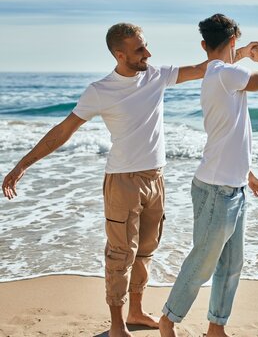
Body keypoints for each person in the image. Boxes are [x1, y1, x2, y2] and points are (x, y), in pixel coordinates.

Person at [1, 22, 217, 337]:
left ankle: (137, 311)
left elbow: (201, 69)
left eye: (146, 46)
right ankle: (117, 325)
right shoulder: (100, 90)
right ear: (119, 54)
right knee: (120, 253)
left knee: (146, 248)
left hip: (156, 177)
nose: (148, 53)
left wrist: (239, 51)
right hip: (123, 180)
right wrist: (23, 165)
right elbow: (63, 131)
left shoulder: (155, 75)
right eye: (140, 49)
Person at [159, 14, 258, 337]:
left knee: (231, 265)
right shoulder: (228, 75)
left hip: (233, 185)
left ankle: (216, 327)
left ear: (203, 44)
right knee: (203, 261)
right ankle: (167, 320)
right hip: (216, 190)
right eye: (235, 44)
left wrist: (249, 174)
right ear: (231, 42)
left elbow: (230, 134)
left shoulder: (218, 73)